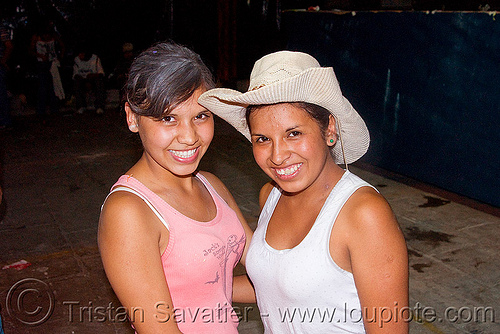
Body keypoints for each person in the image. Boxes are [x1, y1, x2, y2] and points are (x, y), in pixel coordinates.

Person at [199, 50, 409, 333]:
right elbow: (278, 285)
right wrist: (195, 286)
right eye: (262, 139)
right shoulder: (270, 196)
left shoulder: (363, 214)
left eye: (293, 133)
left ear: (329, 128)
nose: (277, 155)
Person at [98, 42, 253, 333]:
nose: (189, 136)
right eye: (168, 118)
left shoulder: (211, 185)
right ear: (133, 117)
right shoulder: (129, 211)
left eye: (201, 116)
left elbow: (258, 275)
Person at [30, 19, 65, 117]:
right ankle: (41, 110)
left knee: (53, 85)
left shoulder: (54, 35)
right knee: (43, 87)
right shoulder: (36, 37)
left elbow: (62, 45)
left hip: (52, 62)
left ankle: (54, 108)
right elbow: (31, 50)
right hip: (41, 63)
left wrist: (60, 56)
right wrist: (40, 56)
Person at [72, 46, 105, 114]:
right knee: (77, 83)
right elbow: (75, 75)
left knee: (99, 82)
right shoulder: (77, 60)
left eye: (82, 54)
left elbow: (101, 73)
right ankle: (81, 106)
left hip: (93, 80)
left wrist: (92, 76)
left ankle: (99, 107)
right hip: (82, 80)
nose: (80, 55)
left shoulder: (95, 59)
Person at [0, 23, 13, 128]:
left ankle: (4, 120)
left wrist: (3, 61)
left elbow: (9, 46)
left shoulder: (1, 29)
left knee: (1, 93)